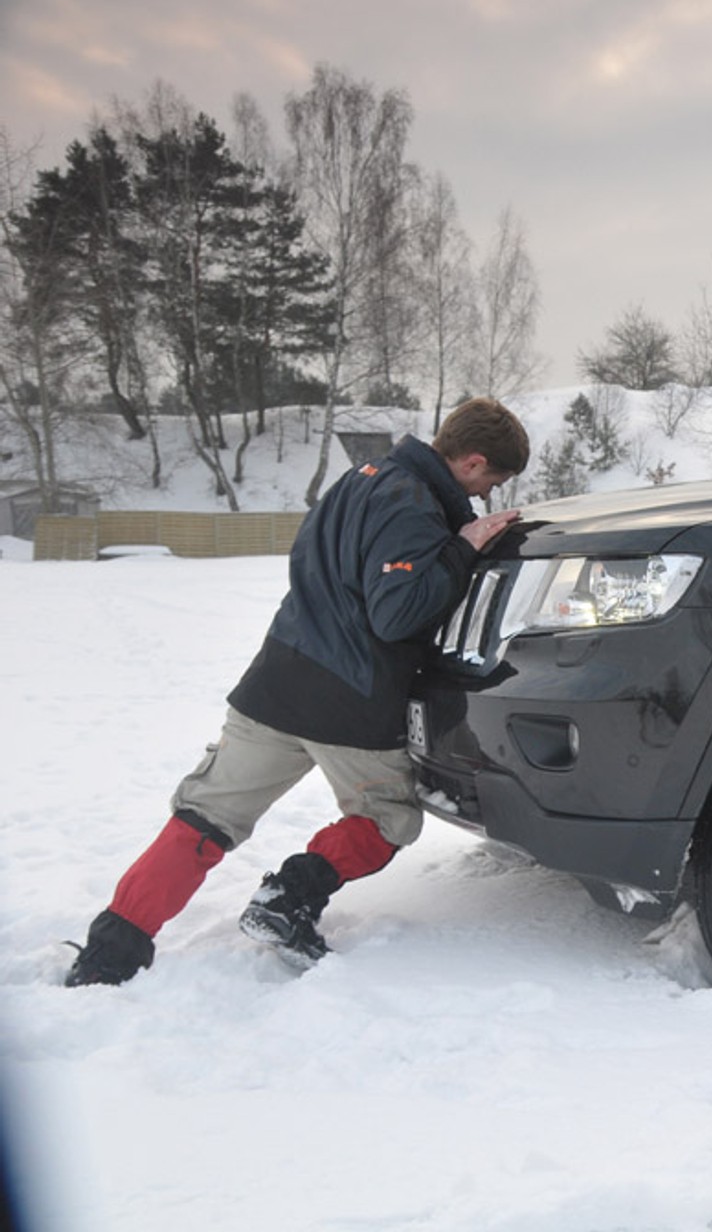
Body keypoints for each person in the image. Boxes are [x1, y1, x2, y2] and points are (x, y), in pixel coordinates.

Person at [64, 398, 531, 987]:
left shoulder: (356, 481)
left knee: (203, 818)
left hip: (275, 682)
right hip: (352, 701)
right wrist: (462, 550)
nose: (488, 495)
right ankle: (289, 899)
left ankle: (108, 955)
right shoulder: (413, 504)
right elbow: (397, 614)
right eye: (493, 480)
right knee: (388, 821)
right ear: (473, 461)